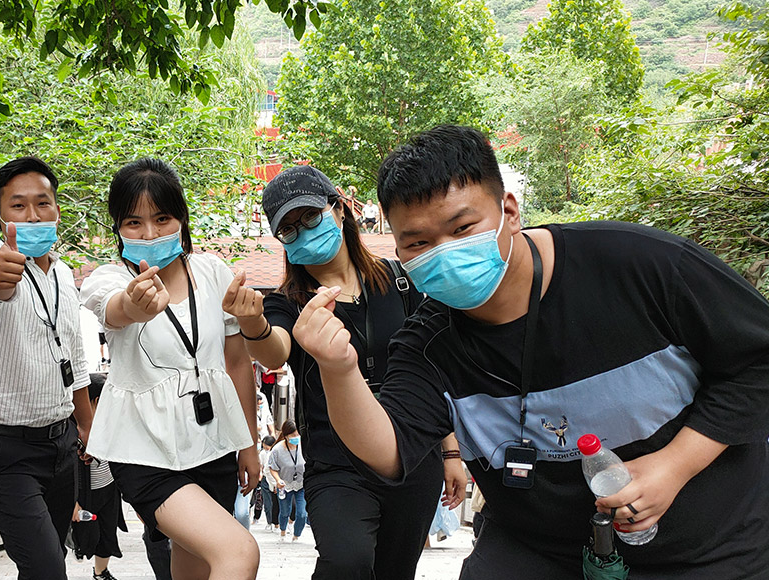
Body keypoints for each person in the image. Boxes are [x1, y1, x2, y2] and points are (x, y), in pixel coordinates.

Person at [293, 125, 769, 580]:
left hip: (715, 549)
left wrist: (675, 463)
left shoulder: (640, 266)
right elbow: (389, 451)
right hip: (540, 550)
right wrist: (338, 370)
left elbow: (757, 360)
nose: (445, 252)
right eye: (418, 242)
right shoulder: (428, 344)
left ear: (510, 210)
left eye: (462, 228)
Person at [224, 164, 465, 579]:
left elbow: (432, 373)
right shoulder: (288, 302)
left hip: (412, 457)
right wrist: (252, 323)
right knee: (345, 561)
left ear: (339, 209)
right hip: (336, 464)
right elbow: (275, 350)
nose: (302, 232)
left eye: (310, 217)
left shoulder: (401, 282)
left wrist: (451, 452)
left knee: (395, 571)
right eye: (289, 229)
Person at [81, 158, 261, 580]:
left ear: (181, 218)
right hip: (145, 452)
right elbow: (117, 309)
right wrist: (134, 305)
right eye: (134, 222)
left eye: (162, 219)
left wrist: (249, 445)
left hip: (213, 444)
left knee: (196, 569)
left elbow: (237, 363)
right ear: (117, 227)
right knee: (238, 552)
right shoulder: (108, 279)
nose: (149, 233)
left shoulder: (213, 273)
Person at [0, 156, 94, 579]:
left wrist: (86, 425)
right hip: (4, 450)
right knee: (47, 569)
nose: (33, 215)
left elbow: (74, 355)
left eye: (43, 203)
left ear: (57, 210)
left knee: (49, 559)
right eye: (18, 206)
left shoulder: (63, 274)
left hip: (61, 445)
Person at [71, 373, 125, 580]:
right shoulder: (73, 430)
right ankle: (78, 549)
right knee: (86, 535)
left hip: (109, 490)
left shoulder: (110, 424)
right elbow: (67, 471)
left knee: (108, 534)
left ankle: (101, 572)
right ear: (95, 400)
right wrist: (73, 502)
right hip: (85, 494)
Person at [267, 420, 307, 542]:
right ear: (286, 435)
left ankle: (296, 535)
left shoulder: (304, 445)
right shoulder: (277, 450)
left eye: (297, 434)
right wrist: (278, 480)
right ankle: (283, 532)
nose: (296, 437)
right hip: (284, 485)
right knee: (285, 511)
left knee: (302, 513)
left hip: (301, 484)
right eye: (293, 435)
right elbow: (272, 468)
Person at [253, 435, 279, 530]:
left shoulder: (276, 452)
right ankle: (269, 522)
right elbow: (261, 466)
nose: (265, 447)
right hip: (265, 479)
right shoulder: (263, 453)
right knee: (268, 503)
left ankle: (276, 522)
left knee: (276, 503)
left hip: (276, 479)